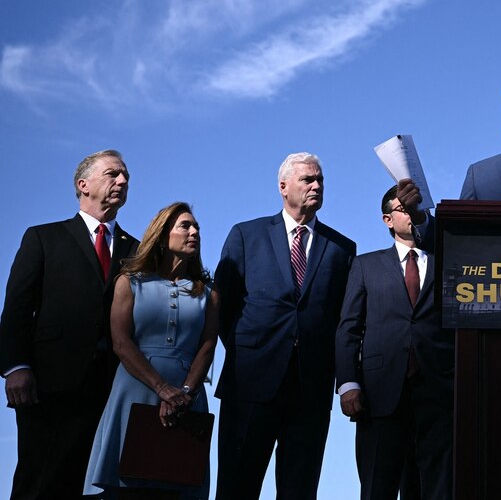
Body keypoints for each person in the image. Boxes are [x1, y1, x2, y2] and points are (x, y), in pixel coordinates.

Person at [214, 152, 356, 499]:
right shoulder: (246, 235)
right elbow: (223, 306)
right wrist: (250, 350)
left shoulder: (341, 248)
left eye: (320, 180)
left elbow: (342, 319)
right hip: (250, 382)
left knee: (299, 488)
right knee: (236, 485)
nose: (316, 186)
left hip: (310, 387)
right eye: (308, 179)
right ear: (283, 186)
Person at [0, 149, 138, 499]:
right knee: (41, 482)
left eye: (125, 176)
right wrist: (16, 367)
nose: (122, 180)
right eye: (113, 174)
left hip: (113, 389)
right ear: (83, 185)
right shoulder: (43, 238)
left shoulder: (138, 252)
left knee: (96, 487)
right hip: (49, 385)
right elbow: (17, 308)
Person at [84, 203, 219, 499]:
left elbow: (208, 345)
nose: (194, 232)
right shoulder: (129, 282)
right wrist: (162, 388)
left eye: (197, 227)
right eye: (185, 226)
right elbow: (121, 342)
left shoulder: (208, 293)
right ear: (162, 234)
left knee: (177, 481)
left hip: (188, 397)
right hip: (134, 391)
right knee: (127, 483)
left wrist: (185, 393)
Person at [336, 186, 455, 500]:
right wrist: (348, 384)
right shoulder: (366, 266)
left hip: (437, 391)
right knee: (378, 485)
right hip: (380, 393)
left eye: (417, 208)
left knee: (438, 487)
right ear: (387, 219)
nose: (412, 214)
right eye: (404, 209)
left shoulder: (447, 263)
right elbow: (349, 328)